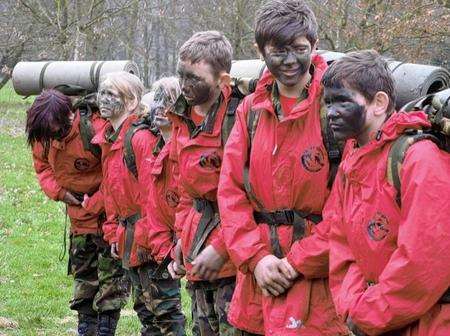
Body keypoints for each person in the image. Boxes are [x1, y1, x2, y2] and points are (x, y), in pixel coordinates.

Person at [217, 1, 348, 335]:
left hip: (320, 283)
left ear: (315, 46)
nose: (290, 61)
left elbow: (348, 203)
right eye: (277, 52)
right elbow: (231, 191)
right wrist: (256, 259)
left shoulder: (335, 108)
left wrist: (297, 262)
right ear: (261, 52)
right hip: (257, 282)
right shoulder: (250, 111)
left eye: (300, 49)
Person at [323, 50, 450, 335]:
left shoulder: (418, 159)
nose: (330, 112)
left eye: (342, 101)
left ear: (379, 103)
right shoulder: (352, 160)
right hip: (376, 321)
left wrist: (368, 313)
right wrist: (353, 308)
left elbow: (424, 263)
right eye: (328, 102)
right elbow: (342, 246)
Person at [26, 89, 129, 336]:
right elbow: (42, 169)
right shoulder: (43, 135)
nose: (53, 137)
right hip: (78, 218)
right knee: (84, 277)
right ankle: (86, 329)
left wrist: (95, 202)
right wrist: (61, 193)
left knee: (111, 279)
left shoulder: (94, 128)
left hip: (109, 217)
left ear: (69, 117)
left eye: (57, 131)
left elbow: (116, 172)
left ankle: (106, 329)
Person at [92, 71, 185, 336]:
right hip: (129, 238)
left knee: (165, 313)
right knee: (146, 311)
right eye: (103, 93)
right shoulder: (110, 139)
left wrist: (156, 241)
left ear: (132, 101)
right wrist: (113, 233)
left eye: (113, 94)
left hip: (151, 240)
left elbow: (154, 196)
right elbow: (112, 193)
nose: (105, 100)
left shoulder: (139, 139)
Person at [167, 31, 240, 335]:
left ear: (222, 80)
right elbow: (185, 190)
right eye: (181, 74)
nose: (185, 85)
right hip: (198, 250)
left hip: (234, 259)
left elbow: (250, 194)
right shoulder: (181, 118)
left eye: (194, 78)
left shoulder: (237, 119)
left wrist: (221, 247)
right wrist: (182, 239)